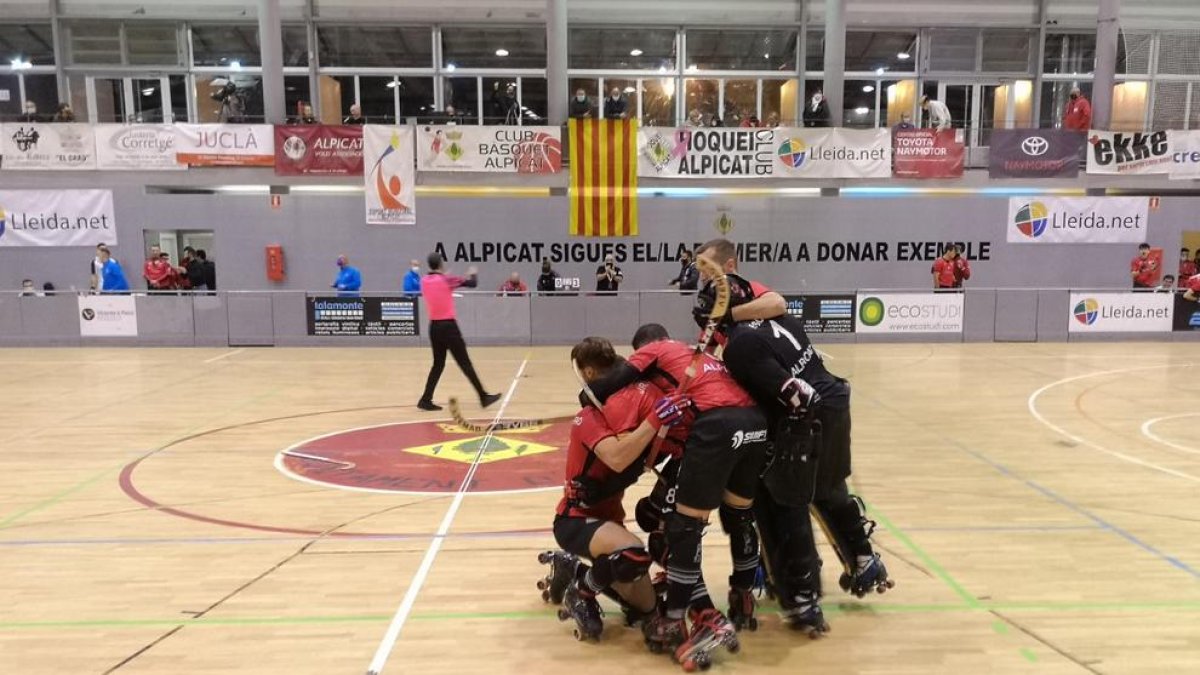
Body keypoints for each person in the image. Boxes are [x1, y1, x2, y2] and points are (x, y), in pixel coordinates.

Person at [695, 239, 893, 626]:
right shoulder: (769, 311)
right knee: (829, 489)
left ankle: (800, 592)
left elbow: (793, 395)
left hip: (809, 414)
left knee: (782, 501)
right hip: (834, 398)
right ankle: (863, 558)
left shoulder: (740, 343)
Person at [585, 326, 767, 663]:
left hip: (717, 426)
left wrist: (587, 402)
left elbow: (610, 383)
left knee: (683, 528)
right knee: (740, 517)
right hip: (755, 423)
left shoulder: (655, 349)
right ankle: (743, 598)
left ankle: (675, 621)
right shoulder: (702, 359)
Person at [541, 337, 691, 640]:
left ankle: (570, 569)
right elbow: (618, 458)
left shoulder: (626, 417)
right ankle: (580, 594)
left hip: (610, 523)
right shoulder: (588, 418)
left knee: (646, 611)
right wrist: (654, 419)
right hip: (576, 521)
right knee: (635, 554)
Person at [417, 252, 500, 412]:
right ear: (441, 264)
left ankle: (426, 399)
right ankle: (483, 396)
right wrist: (472, 273)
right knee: (465, 363)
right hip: (449, 327)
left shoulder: (424, 281)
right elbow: (472, 283)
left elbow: (436, 287)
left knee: (438, 364)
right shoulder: (447, 280)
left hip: (434, 327)